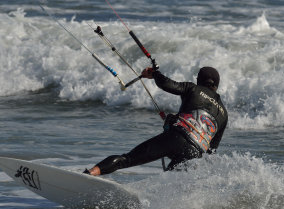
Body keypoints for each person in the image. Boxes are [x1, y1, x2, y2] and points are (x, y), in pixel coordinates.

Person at [84, 66, 228, 176]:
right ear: (217, 85)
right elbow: (211, 151)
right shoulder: (224, 114)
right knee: (169, 186)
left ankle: (90, 174)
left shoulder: (194, 88)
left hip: (176, 138)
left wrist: (154, 74)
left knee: (127, 159)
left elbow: (168, 85)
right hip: (195, 152)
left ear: (199, 80)